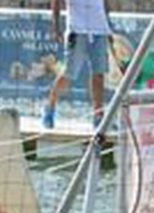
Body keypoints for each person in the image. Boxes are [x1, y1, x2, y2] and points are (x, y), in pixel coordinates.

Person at [42, 0, 114, 129]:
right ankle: (50, 106)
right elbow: (56, 2)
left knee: (99, 74)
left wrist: (108, 27)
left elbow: (105, 3)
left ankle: (98, 115)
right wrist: (56, 27)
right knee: (69, 74)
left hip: (99, 30)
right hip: (77, 30)